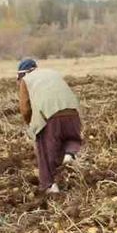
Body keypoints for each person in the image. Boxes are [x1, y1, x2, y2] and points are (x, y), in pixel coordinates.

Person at [17, 57, 83, 193]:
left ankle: (49, 187)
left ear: (23, 74)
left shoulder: (26, 80)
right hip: (72, 112)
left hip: (50, 116)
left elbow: (25, 108)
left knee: (45, 152)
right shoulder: (52, 73)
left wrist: (31, 124)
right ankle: (69, 154)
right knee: (72, 138)